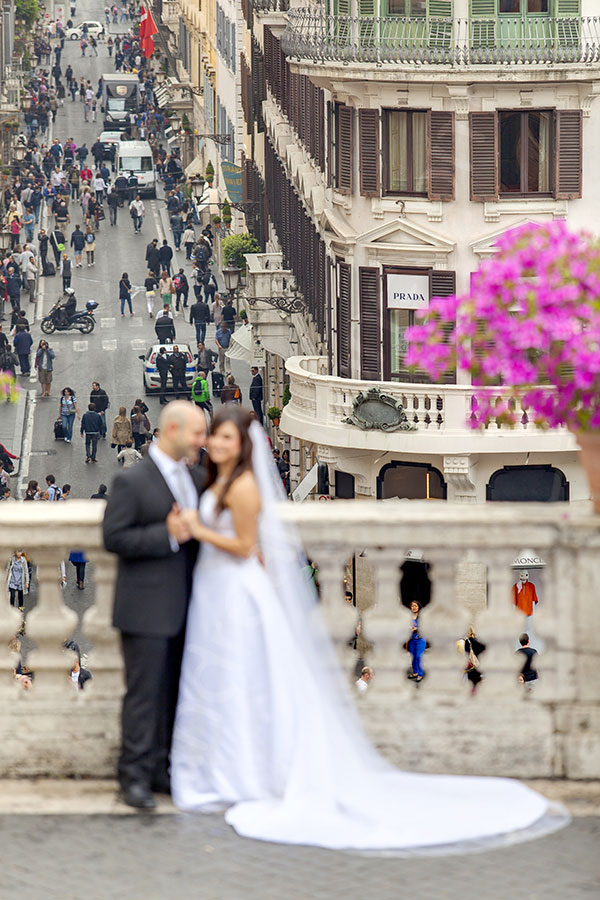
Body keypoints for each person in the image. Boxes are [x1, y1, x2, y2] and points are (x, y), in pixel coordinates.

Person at [168, 407, 550, 849]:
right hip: (220, 589)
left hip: (233, 587)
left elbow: (244, 544)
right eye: (214, 436)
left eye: (227, 438)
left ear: (242, 444)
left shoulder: (246, 485)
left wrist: (197, 528)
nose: (216, 444)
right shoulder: (219, 480)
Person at [103, 402, 207, 809]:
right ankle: (133, 775)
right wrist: (165, 534)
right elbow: (115, 538)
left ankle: (163, 770)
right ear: (174, 430)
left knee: (173, 694)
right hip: (145, 607)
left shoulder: (195, 477)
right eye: (197, 433)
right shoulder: (133, 482)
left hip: (186, 605)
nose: (202, 441)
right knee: (144, 695)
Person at [406, 600, 426, 682]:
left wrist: (416, 629)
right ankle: (415, 672)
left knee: (419, 656)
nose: (414, 607)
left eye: (415, 606)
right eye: (412, 606)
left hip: (420, 639)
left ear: (418, 607)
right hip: (411, 640)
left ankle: (420, 674)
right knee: (413, 656)